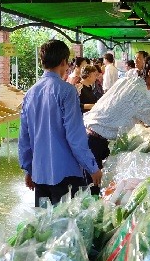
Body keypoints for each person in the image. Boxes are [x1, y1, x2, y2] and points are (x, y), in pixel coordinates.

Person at [19, 40, 102, 207]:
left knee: (44, 227)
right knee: (67, 228)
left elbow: (24, 139)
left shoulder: (30, 93)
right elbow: (75, 136)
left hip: (40, 174)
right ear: (64, 62)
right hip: (66, 174)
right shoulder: (66, 91)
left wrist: (29, 169)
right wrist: (92, 166)